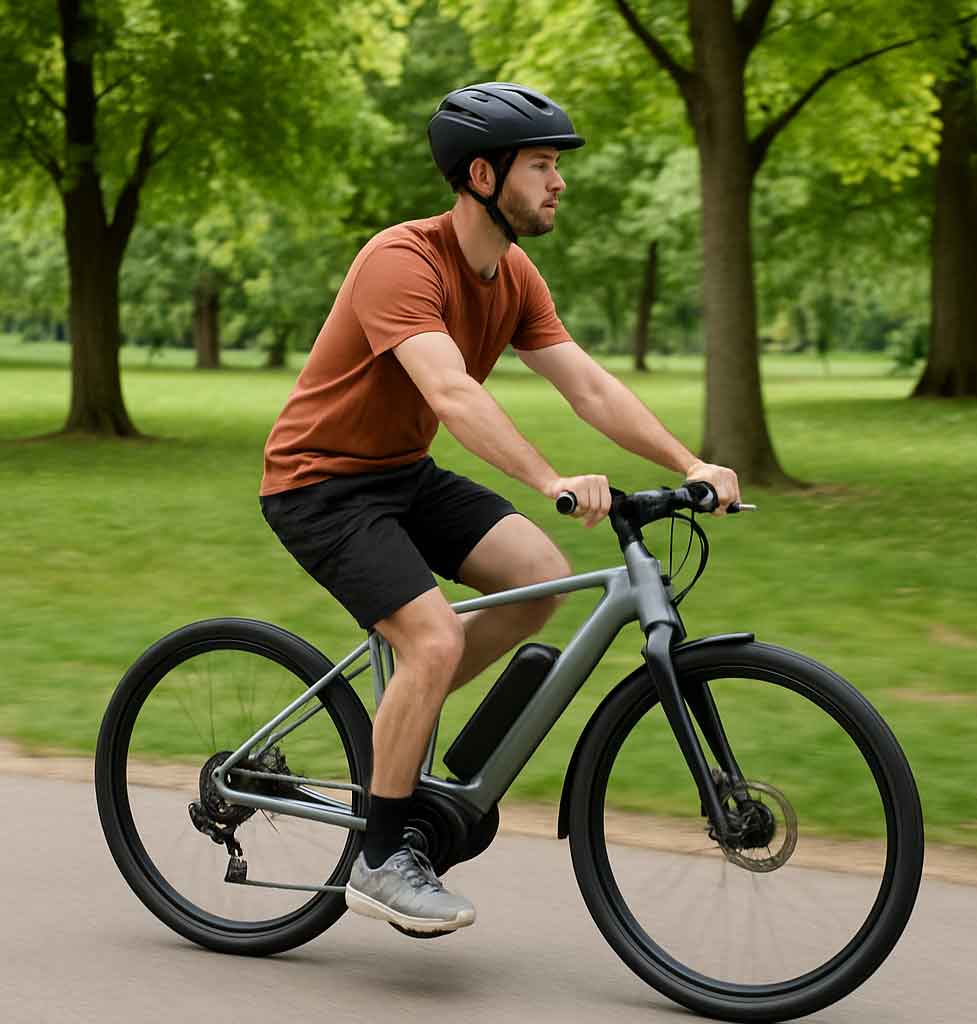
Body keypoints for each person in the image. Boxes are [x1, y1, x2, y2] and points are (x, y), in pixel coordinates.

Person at [259, 82, 741, 935]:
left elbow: (587, 384)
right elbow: (449, 390)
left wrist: (690, 460)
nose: (560, 183)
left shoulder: (513, 272)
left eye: (557, 166)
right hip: (319, 482)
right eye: (544, 165)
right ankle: (379, 859)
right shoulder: (400, 260)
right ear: (483, 174)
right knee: (436, 636)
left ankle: (402, 724)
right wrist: (550, 477)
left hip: (401, 473)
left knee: (540, 577)